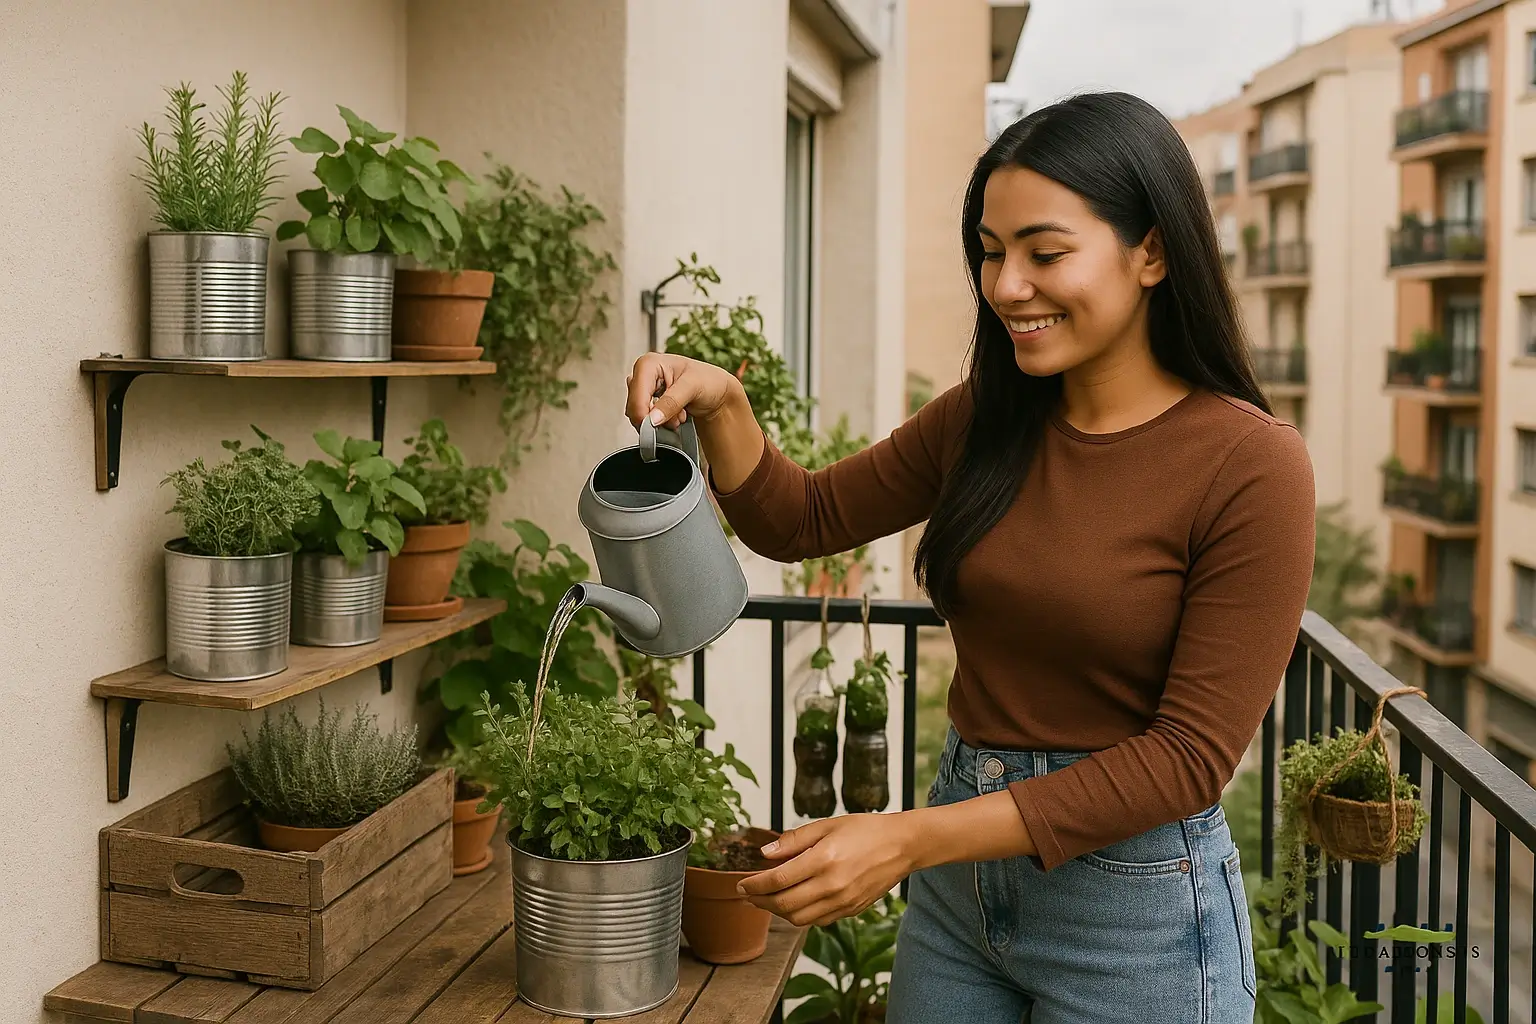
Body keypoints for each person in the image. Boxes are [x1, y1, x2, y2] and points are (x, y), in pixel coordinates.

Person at [624, 91, 1314, 1024]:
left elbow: (1188, 758)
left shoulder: (1250, 464)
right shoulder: (984, 420)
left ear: (1150, 250)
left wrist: (907, 840)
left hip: (1135, 920)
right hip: (960, 903)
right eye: (991, 254)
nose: (1006, 285)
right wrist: (724, 405)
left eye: (1045, 252)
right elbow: (802, 518)